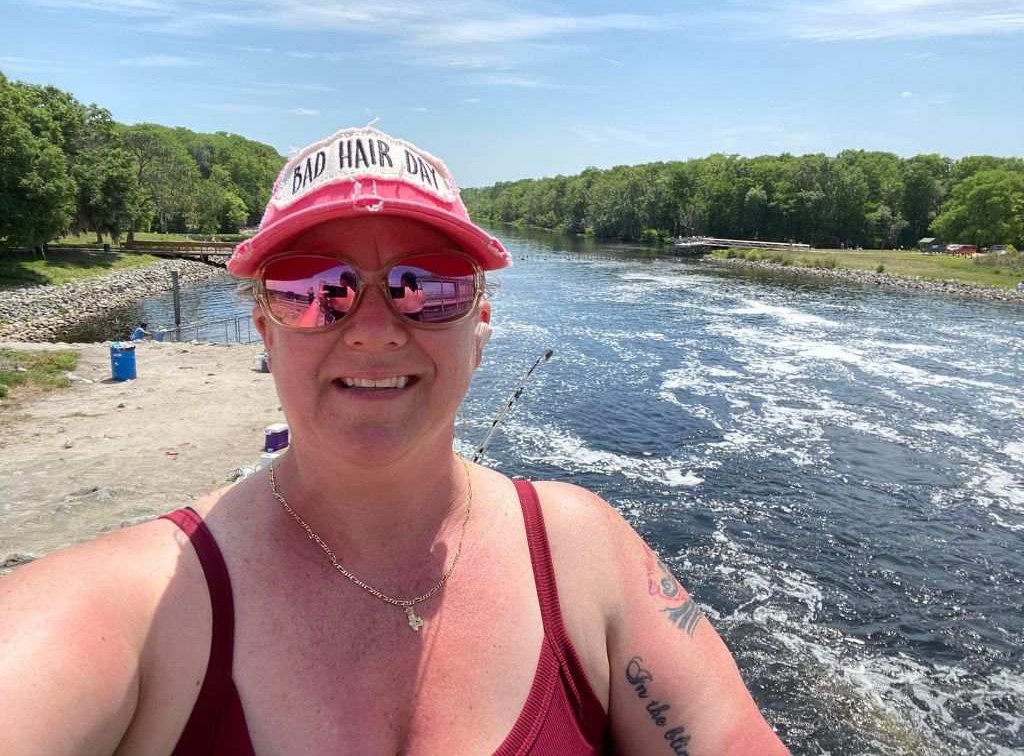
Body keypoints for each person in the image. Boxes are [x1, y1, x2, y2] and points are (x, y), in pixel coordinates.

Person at [0, 126, 790, 755]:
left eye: (430, 286)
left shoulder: (588, 559)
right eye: (315, 289)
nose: (374, 330)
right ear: (265, 330)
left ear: (480, 327)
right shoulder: (135, 606)